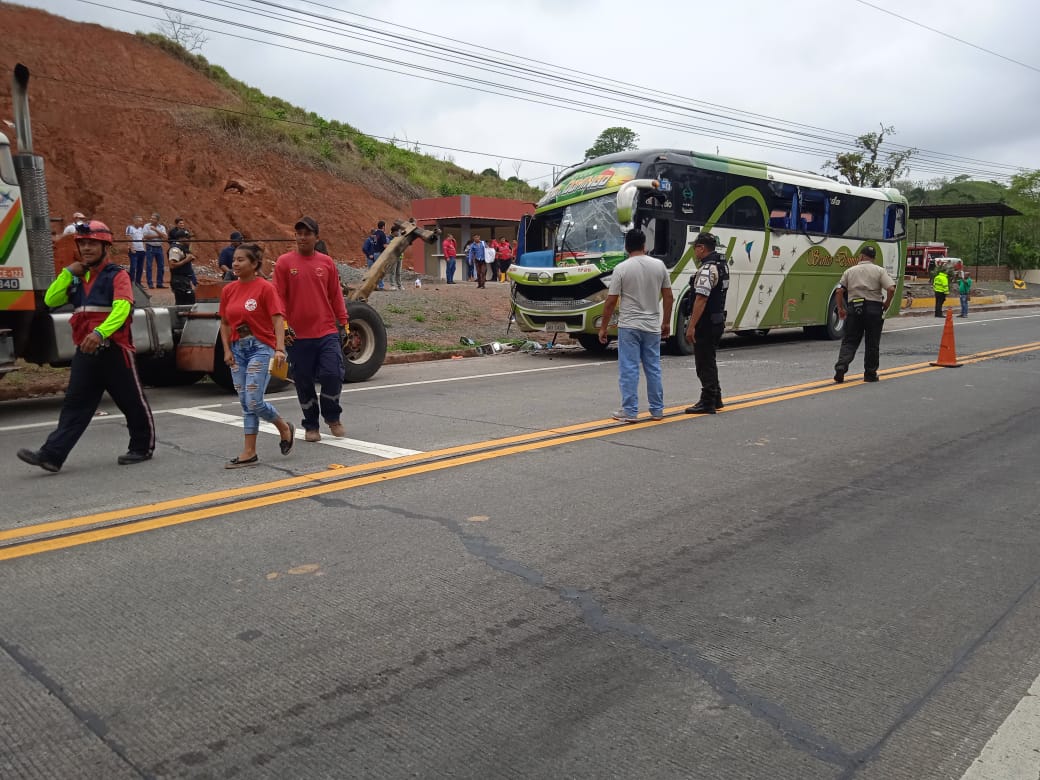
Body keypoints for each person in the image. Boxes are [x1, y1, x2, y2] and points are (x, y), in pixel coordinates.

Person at [17, 221, 155, 472]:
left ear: (106, 247)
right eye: (82, 244)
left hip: (115, 349)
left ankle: (142, 447)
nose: (87, 248)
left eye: (92, 243)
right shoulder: (78, 278)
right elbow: (50, 299)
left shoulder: (117, 275)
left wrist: (101, 332)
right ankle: (52, 455)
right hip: (86, 351)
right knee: (75, 405)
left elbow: (123, 308)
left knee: (131, 401)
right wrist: (68, 273)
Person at [274, 216, 350, 442]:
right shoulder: (284, 263)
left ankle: (332, 416)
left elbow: (335, 294)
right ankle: (311, 425)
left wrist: (344, 323)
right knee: (304, 380)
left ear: (316, 237)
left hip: (326, 331)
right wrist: (284, 325)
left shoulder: (326, 263)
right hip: (297, 335)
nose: (302, 237)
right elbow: (277, 296)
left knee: (333, 374)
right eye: (299, 233)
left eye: (307, 233)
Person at [218, 242, 295, 468]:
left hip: (260, 348)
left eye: (241, 260)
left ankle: (282, 427)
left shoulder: (265, 288)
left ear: (254, 264)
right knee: (245, 402)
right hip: (237, 350)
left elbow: (277, 320)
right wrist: (226, 350)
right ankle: (249, 452)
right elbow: (224, 323)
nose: (235, 263)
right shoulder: (228, 290)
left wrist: (279, 348)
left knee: (253, 400)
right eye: (234, 259)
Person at [598, 228, 673, 422]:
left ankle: (630, 411)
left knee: (629, 368)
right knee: (653, 367)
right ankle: (657, 410)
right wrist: (666, 322)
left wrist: (604, 327)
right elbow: (669, 297)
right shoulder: (659, 266)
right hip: (652, 325)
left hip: (629, 325)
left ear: (626, 246)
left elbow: (610, 302)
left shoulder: (622, 268)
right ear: (644, 245)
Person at [832, 245, 896, 384]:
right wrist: (886, 303)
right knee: (872, 343)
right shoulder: (879, 270)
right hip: (874, 309)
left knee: (850, 340)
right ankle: (870, 374)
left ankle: (841, 366)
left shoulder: (850, 271)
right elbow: (891, 288)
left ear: (861, 256)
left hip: (855, 308)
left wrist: (841, 308)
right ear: (874, 258)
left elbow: (839, 291)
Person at [683, 232, 730, 414]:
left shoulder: (706, 269)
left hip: (706, 323)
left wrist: (691, 326)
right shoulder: (722, 266)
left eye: (695, 248)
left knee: (704, 363)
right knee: (709, 360)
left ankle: (707, 401)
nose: (694, 252)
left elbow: (701, 299)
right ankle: (716, 397)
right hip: (717, 320)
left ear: (702, 248)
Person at [167, 217, 198, 305]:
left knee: (190, 302)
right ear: (181, 239)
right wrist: (186, 260)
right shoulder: (175, 249)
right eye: (187, 238)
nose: (189, 240)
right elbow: (172, 265)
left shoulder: (183, 248)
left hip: (185, 279)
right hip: (179, 280)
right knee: (182, 304)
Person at [143, 213, 167, 288]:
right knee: (149, 266)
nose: (151, 219)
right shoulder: (147, 226)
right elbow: (145, 236)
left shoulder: (162, 227)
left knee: (161, 266)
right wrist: (159, 235)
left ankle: (159, 283)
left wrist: (155, 230)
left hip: (159, 247)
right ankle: (150, 283)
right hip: (150, 247)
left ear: (157, 220)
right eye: (151, 218)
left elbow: (165, 237)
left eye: (153, 218)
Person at [366, 220, 389, 291]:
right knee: (380, 270)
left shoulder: (375, 233)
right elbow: (384, 245)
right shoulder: (382, 234)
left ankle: (373, 285)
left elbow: (374, 243)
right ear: (383, 226)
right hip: (380, 254)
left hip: (374, 253)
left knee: (374, 270)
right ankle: (381, 286)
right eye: (385, 226)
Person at [125, 215, 147, 286]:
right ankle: (131, 283)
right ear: (135, 221)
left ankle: (138, 283)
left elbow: (143, 239)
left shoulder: (141, 229)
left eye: (141, 221)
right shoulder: (130, 228)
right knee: (133, 267)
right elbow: (128, 238)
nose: (141, 222)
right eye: (139, 221)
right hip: (134, 251)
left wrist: (144, 248)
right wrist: (131, 248)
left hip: (141, 251)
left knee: (140, 268)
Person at [386, 225, 404, 291]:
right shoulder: (388, 238)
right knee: (392, 271)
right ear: (394, 232)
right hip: (393, 257)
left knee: (398, 272)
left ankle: (400, 285)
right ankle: (392, 285)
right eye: (398, 231)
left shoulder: (399, 237)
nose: (399, 232)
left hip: (400, 256)